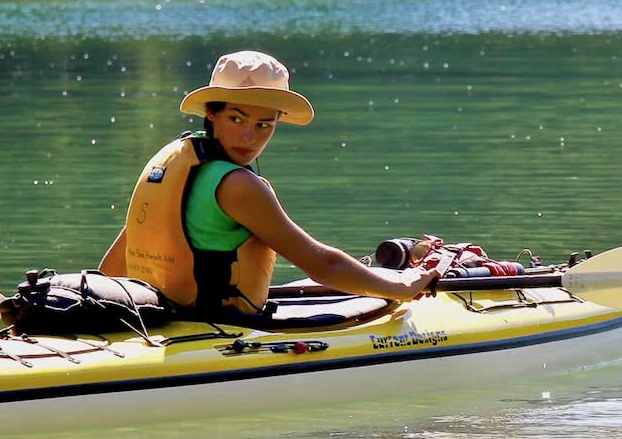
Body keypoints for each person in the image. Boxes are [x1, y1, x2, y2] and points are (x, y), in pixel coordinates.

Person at [99, 50, 439, 316]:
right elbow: (323, 265)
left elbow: (110, 269)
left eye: (265, 125)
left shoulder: (172, 162)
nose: (249, 137)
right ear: (211, 113)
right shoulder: (239, 186)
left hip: (158, 314)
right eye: (236, 118)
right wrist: (402, 286)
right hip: (215, 326)